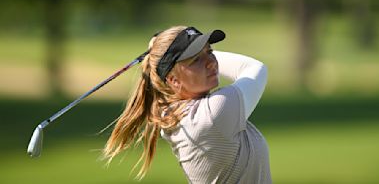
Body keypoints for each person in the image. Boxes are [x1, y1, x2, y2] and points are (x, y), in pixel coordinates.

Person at [103, 25, 271, 183]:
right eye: (196, 59)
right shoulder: (214, 113)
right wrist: (158, 52)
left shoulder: (172, 112)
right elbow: (255, 68)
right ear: (173, 80)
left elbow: (161, 76)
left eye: (210, 51)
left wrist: (159, 54)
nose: (211, 62)